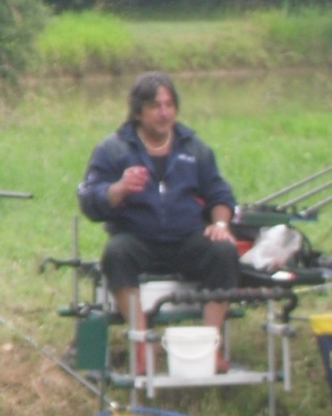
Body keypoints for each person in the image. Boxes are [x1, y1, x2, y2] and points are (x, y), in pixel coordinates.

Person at [78, 71, 239, 374]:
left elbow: (220, 193)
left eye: (169, 105)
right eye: (155, 106)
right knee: (116, 253)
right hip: (138, 238)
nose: (164, 113)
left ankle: (210, 344)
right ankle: (141, 343)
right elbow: (90, 200)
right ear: (138, 112)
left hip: (186, 237)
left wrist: (220, 224)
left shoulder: (194, 148)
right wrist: (119, 189)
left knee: (224, 252)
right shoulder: (113, 150)